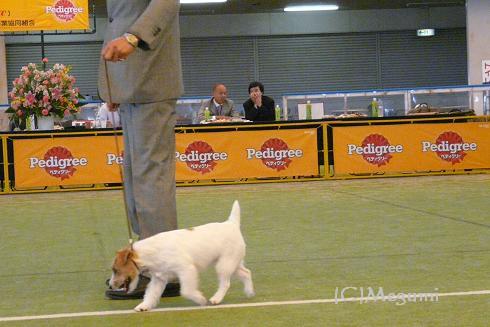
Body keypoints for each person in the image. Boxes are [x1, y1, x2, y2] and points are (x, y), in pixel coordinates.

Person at [98, 0, 183, 300]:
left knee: (151, 177)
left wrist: (133, 38)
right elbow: (119, 17)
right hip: (134, 83)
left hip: (152, 81)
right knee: (137, 178)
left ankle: (163, 270)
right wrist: (116, 86)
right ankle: (149, 261)